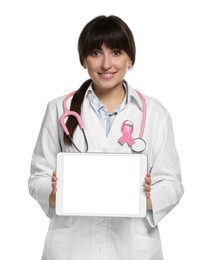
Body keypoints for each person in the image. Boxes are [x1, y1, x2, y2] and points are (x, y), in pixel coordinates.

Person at [28, 15, 184, 260]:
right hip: (72, 248)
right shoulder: (59, 109)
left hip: (133, 249)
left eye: (116, 52)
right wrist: (56, 193)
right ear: (83, 60)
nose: (106, 64)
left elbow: (172, 185)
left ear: (130, 58)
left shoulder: (155, 114)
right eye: (95, 53)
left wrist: (144, 197)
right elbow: (38, 178)